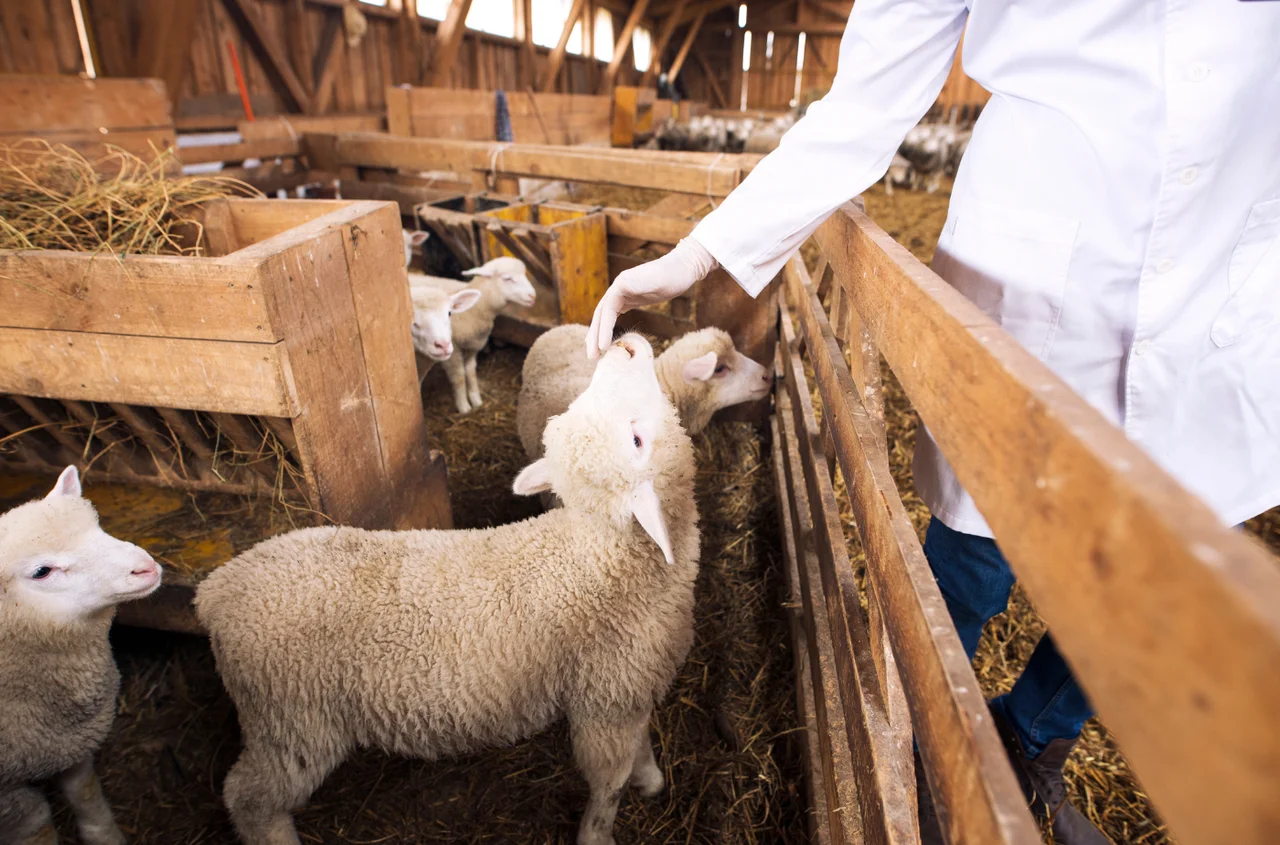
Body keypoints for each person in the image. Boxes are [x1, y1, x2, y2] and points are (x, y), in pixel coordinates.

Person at [585, 2, 1280, 843]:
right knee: (979, 552)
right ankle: (921, 749)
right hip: (1038, 274)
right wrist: (703, 250)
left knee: (1162, 580)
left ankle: (1031, 743)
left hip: (1232, 274)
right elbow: (867, 99)